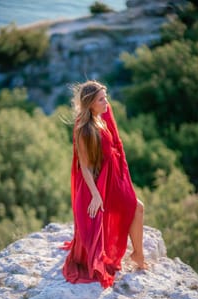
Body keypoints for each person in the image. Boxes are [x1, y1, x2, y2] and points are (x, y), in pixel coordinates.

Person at [61, 80, 147, 288]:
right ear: (91, 104)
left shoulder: (100, 117)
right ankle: (138, 255)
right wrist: (96, 195)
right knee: (137, 207)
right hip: (99, 185)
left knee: (137, 208)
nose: (106, 101)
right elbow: (85, 166)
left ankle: (137, 254)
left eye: (105, 96)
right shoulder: (85, 130)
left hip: (111, 179)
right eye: (101, 99)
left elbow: (113, 138)